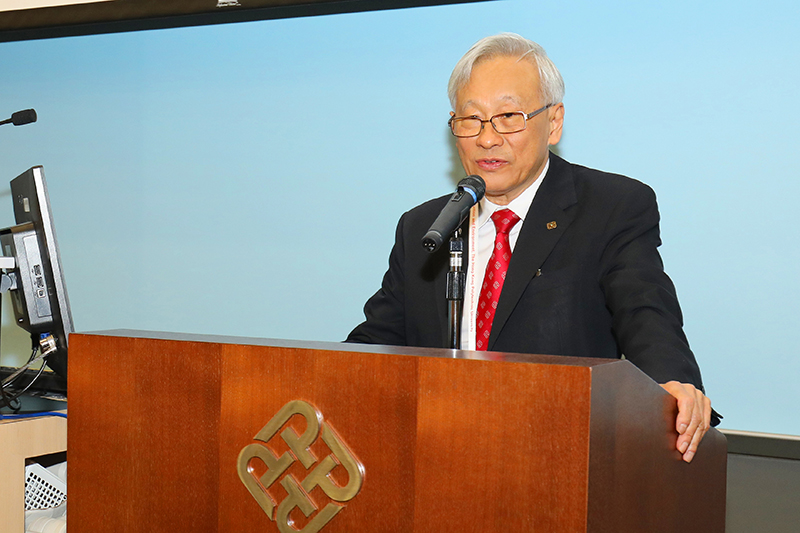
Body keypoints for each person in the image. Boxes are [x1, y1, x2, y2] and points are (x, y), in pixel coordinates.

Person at [347, 33, 716, 462]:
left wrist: (671, 383)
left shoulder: (611, 207)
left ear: (554, 122)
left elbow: (645, 311)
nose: (487, 138)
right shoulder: (424, 227)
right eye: (471, 120)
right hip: (436, 454)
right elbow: (378, 341)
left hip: (559, 456)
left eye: (508, 116)